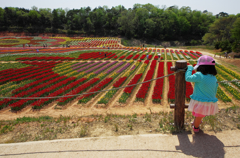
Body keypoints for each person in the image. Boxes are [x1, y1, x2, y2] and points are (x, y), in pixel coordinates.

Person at [185, 55, 218, 133]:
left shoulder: (199, 75)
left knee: (199, 115)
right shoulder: (213, 77)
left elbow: (188, 78)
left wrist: (189, 68)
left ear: (200, 67)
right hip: (210, 99)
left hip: (200, 99)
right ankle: (197, 121)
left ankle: (196, 127)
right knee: (201, 114)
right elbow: (215, 87)